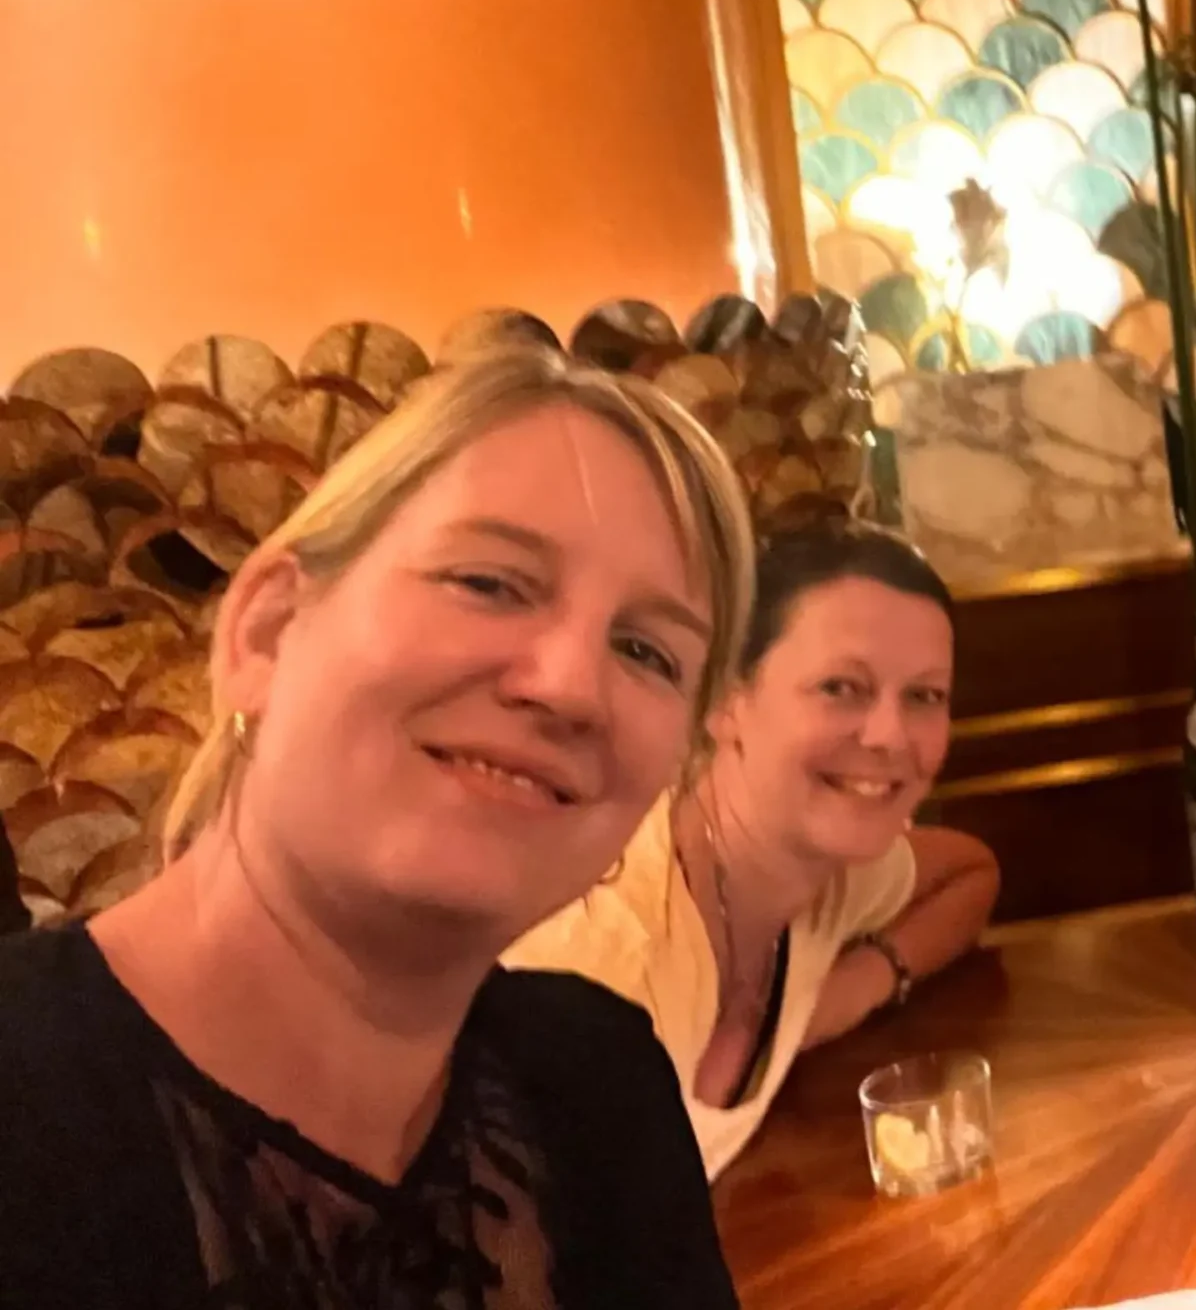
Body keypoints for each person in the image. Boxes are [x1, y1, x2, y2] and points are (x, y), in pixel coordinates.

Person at [0, 351, 760, 1306]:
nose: (569, 686)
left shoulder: (599, 1091)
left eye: (647, 651)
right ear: (267, 632)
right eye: (490, 582)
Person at [506, 523, 1000, 1179]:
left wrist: (855, 988)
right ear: (722, 702)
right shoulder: (601, 967)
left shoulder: (828, 879)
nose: (889, 735)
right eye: (840, 687)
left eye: (924, 696)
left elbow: (970, 873)